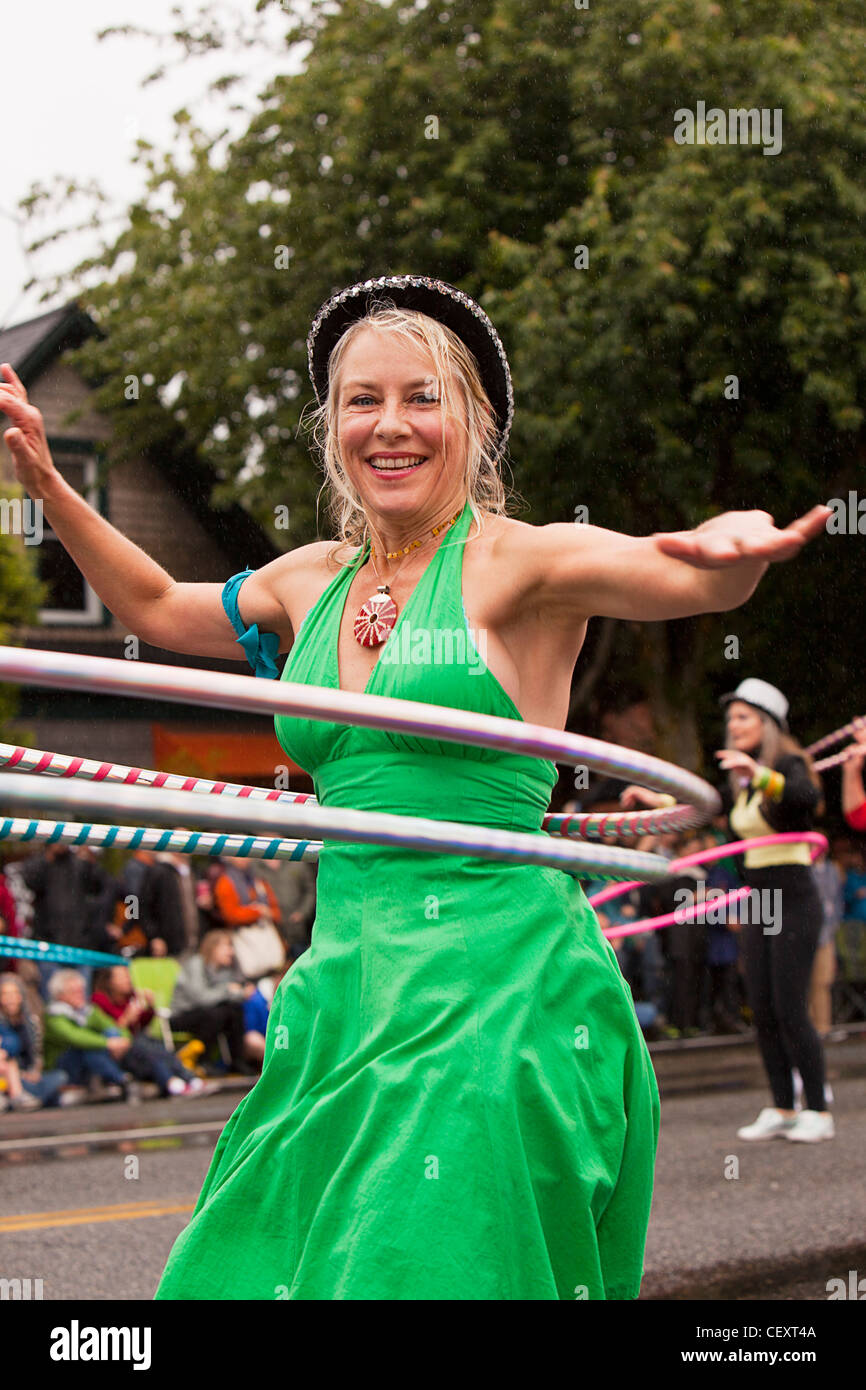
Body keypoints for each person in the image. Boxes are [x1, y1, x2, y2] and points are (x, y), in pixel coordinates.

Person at [0, 276, 830, 1300]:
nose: (390, 425)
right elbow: (156, 606)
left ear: (474, 425)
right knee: (259, 1264)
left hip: (495, 982)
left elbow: (676, 574)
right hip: (344, 984)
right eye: (362, 400)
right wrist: (47, 482)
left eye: (422, 398)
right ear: (330, 425)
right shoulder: (309, 579)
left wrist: (727, 558)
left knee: (425, 1263)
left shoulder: (518, 562)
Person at [625, 677, 833, 1143]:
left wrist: (759, 775)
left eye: (743, 717)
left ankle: (818, 1108)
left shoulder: (787, 765)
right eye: (731, 718)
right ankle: (782, 1106)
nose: (733, 726)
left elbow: (806, 799)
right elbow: (706, 810)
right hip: (757, 896)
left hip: (794, 894)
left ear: (768, 724)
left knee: (790, 1004)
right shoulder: (741, 782)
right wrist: (655, 804)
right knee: (762, 1004)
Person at [91, 965, 207, 1097]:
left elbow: (143, 1024)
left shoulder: (131, 996)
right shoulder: (99, 1000)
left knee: (160, 1049)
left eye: (128, 976)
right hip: (119, 1048)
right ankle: (172, 1083)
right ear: (109, 981)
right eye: (123, 977)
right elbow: (110, 1030)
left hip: (137, 1041)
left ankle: (190, 1079)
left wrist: (149, 1007)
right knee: (149, 1052)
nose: (128, 980)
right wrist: (126, 1019)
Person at [168, 931, 263, 1072]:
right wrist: (228, 990)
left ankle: (237, 1061)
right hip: (183, 1014)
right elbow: (201, 998)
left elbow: (230, 994)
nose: (231, 951)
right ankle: (203, 1060)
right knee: (218, 1013)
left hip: (208, 1013)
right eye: (227, 946)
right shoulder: (196, 964)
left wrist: (241, 993)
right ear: (213, 948)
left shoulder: (226, 969)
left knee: (234, 1009)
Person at [42, 969, 132, 1100]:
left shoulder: (88, 1011)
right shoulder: (54, 1016)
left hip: (90, 1062)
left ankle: (116, 1080)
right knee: (88, 1047)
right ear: (60, 995)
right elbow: (76, 1037)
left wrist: (124, 1040)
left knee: (111, 1033)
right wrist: (108, 1043)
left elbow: (114, 1027)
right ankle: (120, 1079)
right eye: (74, 992)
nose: (80, 995)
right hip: (62, 1065)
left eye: (81, 990)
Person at [0, 972, 67, 1108]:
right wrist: (21, 1074)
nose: (10, 998)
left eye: (14, 993)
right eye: (5, 994)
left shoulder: (31, 1023)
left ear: (21, 996)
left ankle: (31, 1097)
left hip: (29, 1076)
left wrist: (34, 1072)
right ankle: (27, 1098)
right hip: (9, 1076)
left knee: (60, 1076)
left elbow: (38, 1053)